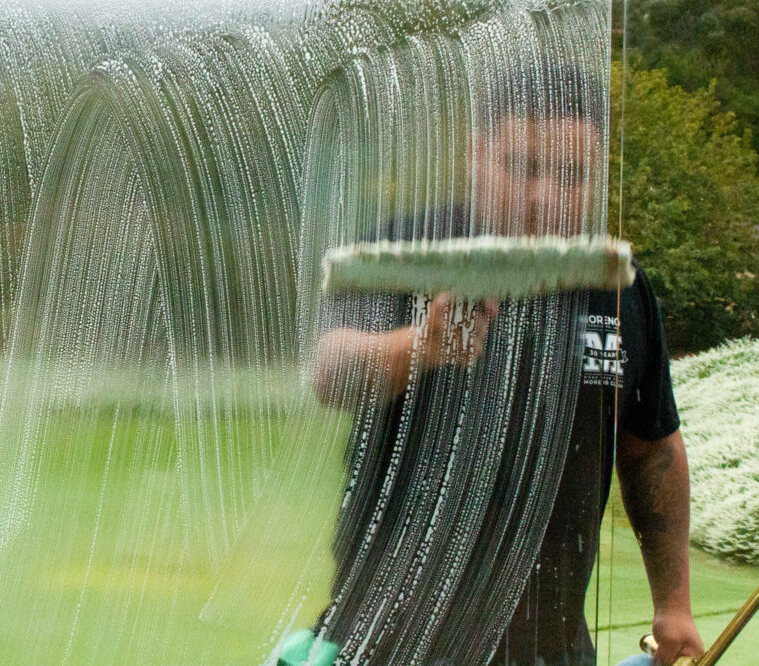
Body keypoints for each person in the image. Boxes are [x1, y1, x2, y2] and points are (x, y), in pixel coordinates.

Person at [300, 65, 705, 665]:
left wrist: (674, 605)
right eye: (522, 167)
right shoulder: (409, 250)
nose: (544, 195)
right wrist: (424, 345)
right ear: (475, 157)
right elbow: (330, 372)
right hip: (387, 640)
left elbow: (651, 449)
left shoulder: (615, 285)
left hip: (548, 646)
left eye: (570, 174)